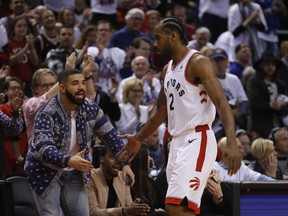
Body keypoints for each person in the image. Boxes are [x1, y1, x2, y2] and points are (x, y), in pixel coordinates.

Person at [117, 17, 242, 216]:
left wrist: (232, 143)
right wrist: (138, 139)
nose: (155, 44)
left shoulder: (198, 62)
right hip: (176, 143)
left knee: (177, 208)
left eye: (158, 38)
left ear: (173, 36)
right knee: (180, 208)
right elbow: (160, 111)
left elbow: (222, 104)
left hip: (197, 138)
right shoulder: (167, 69)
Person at [24, 68, 127, 215]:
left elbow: (111, 136)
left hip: (75, 172)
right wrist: (69, 160)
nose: (81, 87)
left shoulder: (90, 108)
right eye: (75, 83)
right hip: (44, 171)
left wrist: (125, 163)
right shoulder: (47, 112)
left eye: (83, 83)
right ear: (62, 88)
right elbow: (44, 148)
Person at [87, 146, 150, 216]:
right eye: (112, 157)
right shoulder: (90, 177)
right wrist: (123, 211)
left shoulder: (123, 177)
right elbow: (93, 212)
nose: (117, 161)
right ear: (102, 159)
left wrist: (135, 208)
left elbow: (128, 206)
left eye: (120, 157)